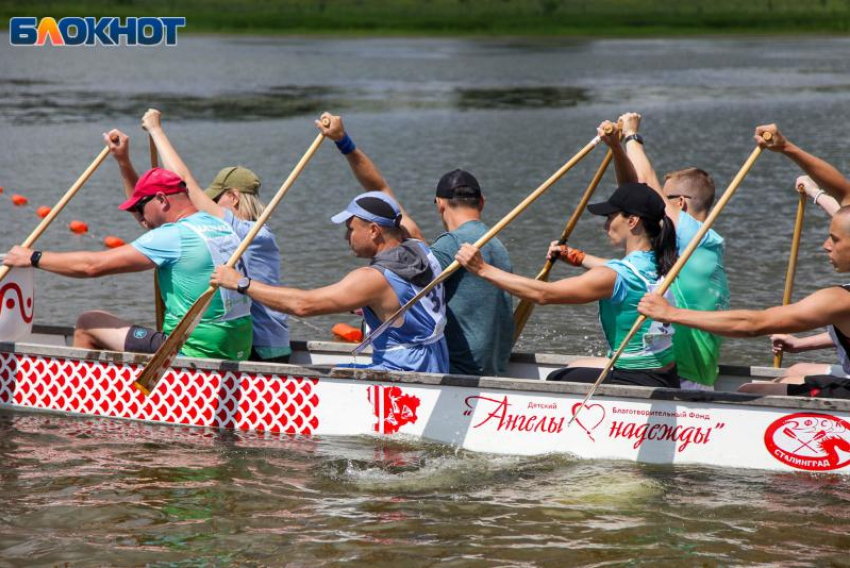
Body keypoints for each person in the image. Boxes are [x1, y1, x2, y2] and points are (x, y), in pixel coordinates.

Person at [315, 112, 514, 377]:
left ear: (440, 204)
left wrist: (343, 140)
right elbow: (381, 192)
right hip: (496, 367)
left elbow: (382, 190)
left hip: (458, 372)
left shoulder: (448, 250)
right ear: (482, 202)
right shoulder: (497, 245)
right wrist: (343, 142)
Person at [455, 169, 681, 389]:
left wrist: (483, 269)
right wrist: (577, 257)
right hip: (665, 375)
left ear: (632, 221)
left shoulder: (615, 276)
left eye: (610, 217)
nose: (605, 224)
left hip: (637, 380)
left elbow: (544, 294)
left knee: (557, 380)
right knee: (574, 366)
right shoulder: (662, 262)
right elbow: (615, 268)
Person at [2, 167, 253, 360]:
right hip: (238, 345)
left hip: (193, 349)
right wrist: (123, 160)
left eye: (141, 208)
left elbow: (93, 266)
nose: (142, 220)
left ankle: (84, 405)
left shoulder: (171, 236)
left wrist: (33, 258)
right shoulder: (221, 226)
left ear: (162, 199)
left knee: (89, 322)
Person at [210, 191, 449, 373]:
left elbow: (303, 306)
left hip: (403, 374)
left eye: (350, 228)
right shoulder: (420, 247)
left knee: (308, 381)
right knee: (337, 365)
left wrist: (242, 283)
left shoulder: (372, 279)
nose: (346, 236)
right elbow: (404, 300)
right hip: (436, 361)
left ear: (375, 230)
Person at [124, 108, 291, 363]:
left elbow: (185, 185)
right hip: (257, 344)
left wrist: (157, 131)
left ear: (233, 197)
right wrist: (123, 161)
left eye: (215, 199)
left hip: (260, 348)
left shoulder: (250, 233)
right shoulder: (241, 233)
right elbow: (149, 218)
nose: (206, 206)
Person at [637, 206, 850, 399]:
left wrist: (670, 314)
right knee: (796, 370)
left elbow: (753, 324)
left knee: (749, 391)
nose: (826, 246)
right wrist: (803, 343)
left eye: (835, 239)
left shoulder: (839, 299)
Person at [608, 112, 730, 391]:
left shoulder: (695, 236)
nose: (657, 205)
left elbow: (644, 185)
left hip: (683, 381)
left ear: (682, 205)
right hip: (691, 376)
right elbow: (634, 195)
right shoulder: (699, 246)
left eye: (666, 199)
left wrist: (631, 136)